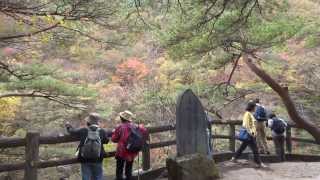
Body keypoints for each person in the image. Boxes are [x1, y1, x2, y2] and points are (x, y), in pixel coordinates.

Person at [65, 113, 111, 180]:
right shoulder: (102, 131)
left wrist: (68, 126)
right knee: (98, 176)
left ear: (88, 122)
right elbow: (106, 141)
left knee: (86, 176)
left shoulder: (83, 130)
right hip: (98, 158)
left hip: (84, 158)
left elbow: (72, 132)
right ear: (97, 122)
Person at [112, 110, 148, 180]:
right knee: (129, 170)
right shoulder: (135, 126)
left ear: (121, 118)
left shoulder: (120, 127)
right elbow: (144, 131)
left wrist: (114, 132)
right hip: (132, 151)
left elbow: (114, 139)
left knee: (119, 170)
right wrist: (140, 126)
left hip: (121, 152)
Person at [231, 102, 266, 168]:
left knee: (242, 147)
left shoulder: (249, 114)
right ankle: (259, 163)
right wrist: (252, 133)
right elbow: (246, 125)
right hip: (249, 134)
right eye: (255, 107)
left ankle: (234, 158)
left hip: (249, 134)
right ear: (252, 107)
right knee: (255, 149)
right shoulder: (248, 114)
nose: (255, 108)